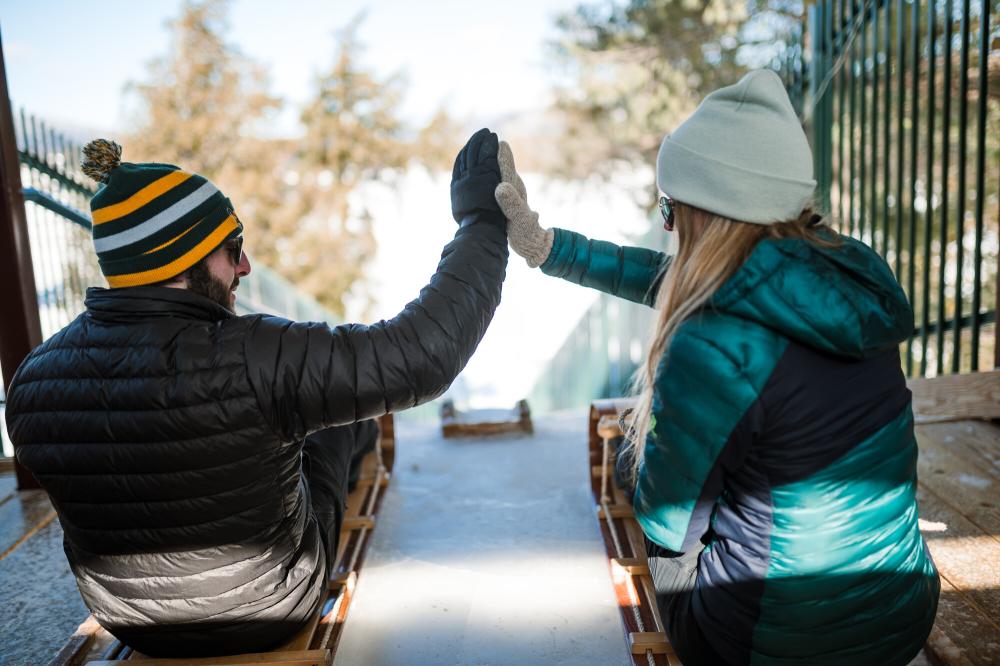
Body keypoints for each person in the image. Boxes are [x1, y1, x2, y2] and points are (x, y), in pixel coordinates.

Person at [5, 129, 509, 657]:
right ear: (185, 259)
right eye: (233, 249)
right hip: (272, 608)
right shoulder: (254, 352)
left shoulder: (33, 380)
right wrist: (482, 224)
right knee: (344, 418)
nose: (244, 266)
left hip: (130, 621)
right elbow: (419, 357)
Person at [496, 70, 939, 665]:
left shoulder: (710, 343)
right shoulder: (843, 274)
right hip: (901, 614)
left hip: (779, 643)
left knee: (638, 489)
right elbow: (683, 284)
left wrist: (643, 451)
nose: (666, 225)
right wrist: (552, 249)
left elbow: (667, 526)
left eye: (670, 207)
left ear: (706, 211)